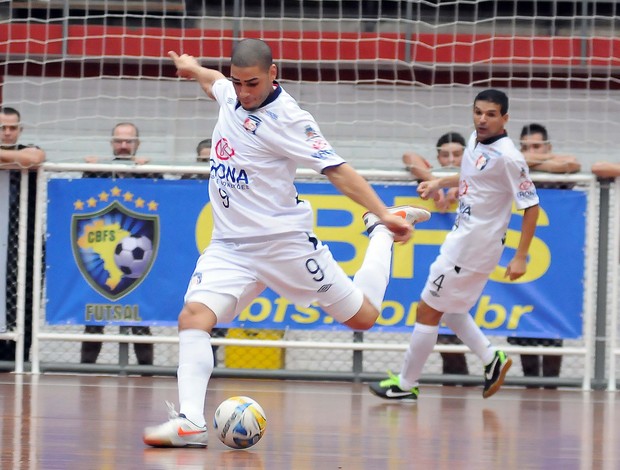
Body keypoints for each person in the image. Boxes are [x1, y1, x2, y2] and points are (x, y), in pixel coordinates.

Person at [142, 38, 430, 448]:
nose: (244, 92)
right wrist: (193, 67)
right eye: (239, 82)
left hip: (284, 245)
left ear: (273, 73)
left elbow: (338, 170)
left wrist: (382, 211)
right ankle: (190, 421)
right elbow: (215, 84)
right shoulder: (232, 95)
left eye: (253, 84)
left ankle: (380, 233)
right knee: (193, 318)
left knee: (364, 318)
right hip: (229, 246)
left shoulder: (290, 119)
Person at [369, 89, 540, 401]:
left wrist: (522, 256)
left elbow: (531, 206)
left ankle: (405, 385)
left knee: (427, 309)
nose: (482, 119)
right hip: (467, 241)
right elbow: (470, 176)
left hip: (473, 245)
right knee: (453, 310)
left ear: (505, 118)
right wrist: (438, 182)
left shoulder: (509, 158)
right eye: (478, 112)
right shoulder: (474, 141)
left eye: (490, 114)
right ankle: (492, 359)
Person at [506, 123, 581, 388]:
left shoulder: (555, 174)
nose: (530, 153)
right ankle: (531, 387)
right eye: (524, 148)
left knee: (553, 329)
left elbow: (572, 164)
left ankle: (551, 388)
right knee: (523, 331)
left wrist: (531, 162)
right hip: (519, 260)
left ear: (548, 148)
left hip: (554, 266)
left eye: (537, 147)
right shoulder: (514, 173)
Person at [80, 122, 154, 366]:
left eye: (129, 141)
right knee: (94, 318)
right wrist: (88, 170)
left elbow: (164, 200)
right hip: (102, 260)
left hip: (139, 264)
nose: (123, 146)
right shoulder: (99, 171)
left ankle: (146, 372)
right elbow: (78, 198)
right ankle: (86, 370)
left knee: (140, 319)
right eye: (119, 141)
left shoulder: (151, 172)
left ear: (137, 144)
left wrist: (149, 171)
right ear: (111, 143)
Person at [403, 132, 470, 379]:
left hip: (472, 259)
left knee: (458, 316)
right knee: (439, 318)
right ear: (437, 158)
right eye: (445, 154)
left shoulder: (477, 174)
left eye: (457, 154)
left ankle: (488, 360)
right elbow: (409, 157)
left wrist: (459, 185)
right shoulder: (431, 179)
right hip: (439, 263)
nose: (450, 159)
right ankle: (456, 380)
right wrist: (437, 185)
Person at [0, 107, 46, 363]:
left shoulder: (28, 147)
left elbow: (34, 158)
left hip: (23, 243)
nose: (8, 132)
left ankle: (20, 358)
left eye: (12, 127)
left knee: (24, 301)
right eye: (2, 128)